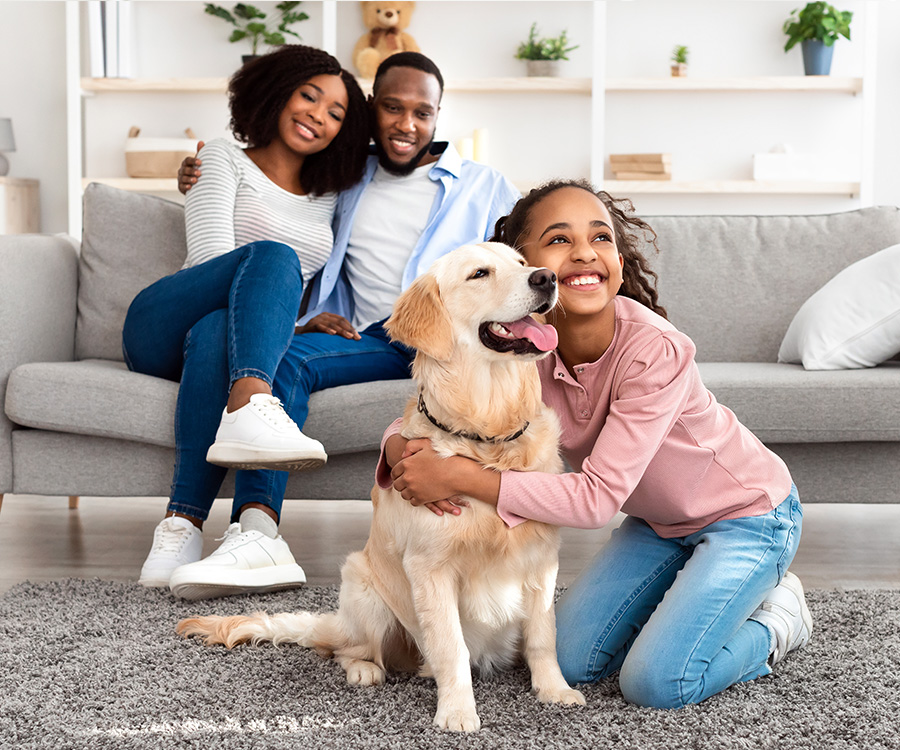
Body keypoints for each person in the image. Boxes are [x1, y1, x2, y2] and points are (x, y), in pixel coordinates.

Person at [382, 179, 812, 709]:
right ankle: (688, 598)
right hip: (657, 525)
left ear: (619, 264)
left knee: (659, 683)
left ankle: (778, 621)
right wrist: (401, 451)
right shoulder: (524, 348)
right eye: (559, 240)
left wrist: (459, 476)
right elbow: (438, 410)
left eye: (601, 238)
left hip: (748, 515)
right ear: (528, 266)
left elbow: (595, 500)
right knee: (575, 661)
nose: (585, 252)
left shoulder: (655, 351)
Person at [164, 52, 521, 599]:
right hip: (379, 337)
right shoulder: (343, 176)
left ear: (438, 115)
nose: (407, 125)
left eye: (422, 113)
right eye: (392, 108)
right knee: (280, 365)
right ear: (371, 110)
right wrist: (198, 175)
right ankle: (256, 535)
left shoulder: (483, 184)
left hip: (455, 344)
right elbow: (279, 208)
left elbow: (527, 253)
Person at [124, 45, 370, 594]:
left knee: (217, 334)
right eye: (309, 96)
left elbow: (261, 306)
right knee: (274, 256)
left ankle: (180, 526)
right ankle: (254, 402)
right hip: (162, 323)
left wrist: (301, 325)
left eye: (336, 113)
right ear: (277, 91)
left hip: (217, 342)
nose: (319, 116)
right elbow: (211, 263)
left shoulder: (328, 196)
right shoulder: (220, 157)